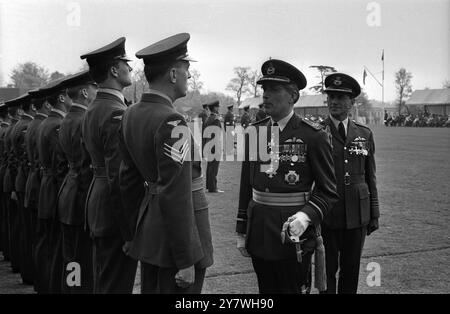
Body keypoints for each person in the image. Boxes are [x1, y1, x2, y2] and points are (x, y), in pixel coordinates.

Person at [119, 32, 213, 294]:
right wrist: (186, 259)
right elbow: (176, 192)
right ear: (173, 75)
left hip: (150, 232)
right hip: (178, 240)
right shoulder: (172, 121)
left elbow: (127, 182)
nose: (189, 76)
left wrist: (130, 233)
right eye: (187, 69)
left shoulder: (130, 114)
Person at [236, 59, 338, 294]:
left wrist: (306, 216)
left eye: (274, 90)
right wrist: (242, 228)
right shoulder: (255, 132)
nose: (266, 96)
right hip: (260, 231)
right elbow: (246, 184)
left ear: (293, 96)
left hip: (293, 234)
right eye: (264, 89)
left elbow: (328, 191)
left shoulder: (313, 136)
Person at [80, 37, 137, 293]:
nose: (131, 68)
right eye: (126, 63)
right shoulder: (115, 111)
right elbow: (118, 176)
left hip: (99, 203)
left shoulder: (93, 107)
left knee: (104, 281)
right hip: (113, 212)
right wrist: (129, 232)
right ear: (114, 69)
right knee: (115, 284)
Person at [320, 73, 379, 294]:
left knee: (351, 269)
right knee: (327, 271)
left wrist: (374, 213)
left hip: (357, 214)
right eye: (331, 96)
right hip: (327, 214)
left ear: (352, 102)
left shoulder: (364, 134)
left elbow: (369, 176)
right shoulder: (317, 132)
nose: (334, 101)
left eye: (340, 97)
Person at [57, 71, 98, 293]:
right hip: (80, 198)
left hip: (68, 195)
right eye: (94, 88)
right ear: (84, 92)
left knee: (72, 260)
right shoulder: (83, 120)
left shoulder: (66, 120)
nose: (96, 92)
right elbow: (87, 168)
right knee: (82, 260)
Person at [35, 77, 72, 293]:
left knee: (47, 244)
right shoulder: (57, 124)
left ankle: (43, 285)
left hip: (45, 187)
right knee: (59, 250)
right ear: (61, 98)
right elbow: (61, 167)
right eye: (68, 95)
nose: (70, 99)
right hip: (54, 190)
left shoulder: (44, 123)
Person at [24, 88, 51, 293]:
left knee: (39, 239)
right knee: (49, 243)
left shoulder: (35, 125)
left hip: (37, 184)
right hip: (47, 186)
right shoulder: (47, 125)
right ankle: (45, 283)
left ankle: (40, 282)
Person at [11, 93, 35, 285]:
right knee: (31, 234)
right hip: (32, 182)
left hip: (23, 181)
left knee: (24, 230)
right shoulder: (26, 126)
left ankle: (27, 271)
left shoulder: (19, 126)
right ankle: (31, 274)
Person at [3, 97, 21, 273]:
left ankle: (17, 261)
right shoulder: (22, 128)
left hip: (14, 179)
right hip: (21, 181)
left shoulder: (10, 129)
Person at [204, 100, 223, 193]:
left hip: (208, 144)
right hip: (214, 145)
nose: (219, 108)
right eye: (218, 107)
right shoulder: (216, 119)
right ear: (215, 108)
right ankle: (213, 187)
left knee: (210, 167)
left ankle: (209, 186)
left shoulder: (208, 118)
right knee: (214, 167)